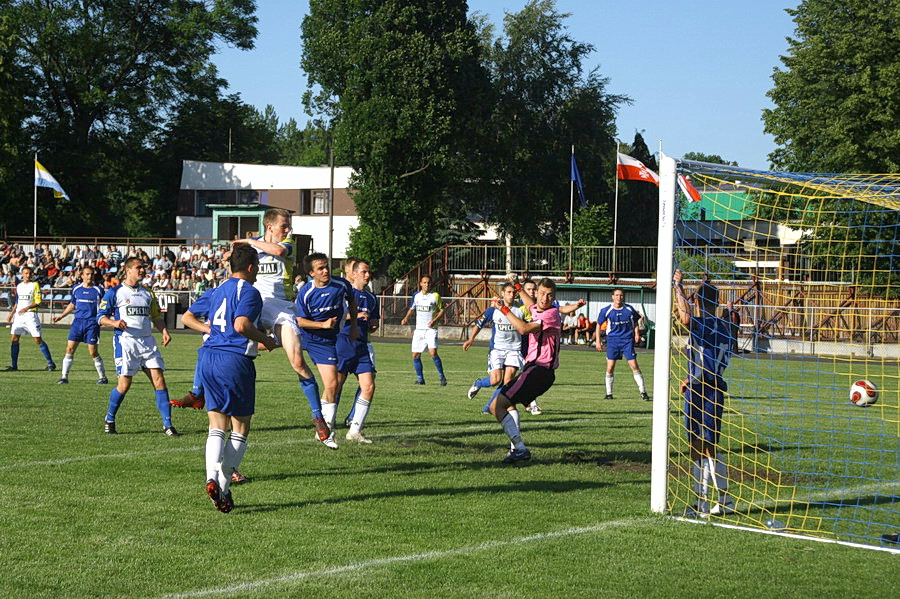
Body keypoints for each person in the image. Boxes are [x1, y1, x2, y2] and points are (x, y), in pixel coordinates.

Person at [180, 244, 277, 513]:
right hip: (234, 360)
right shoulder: (250, 292)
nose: (257, 271)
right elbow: (241, 325)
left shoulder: (216, 290)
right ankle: (222, 485)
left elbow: (187, 317)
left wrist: (207, 329)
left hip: (208, 359)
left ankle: (211, 477)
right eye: (256, 266)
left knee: (216, 425)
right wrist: (266, 340)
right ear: (250, 267)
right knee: (240, 426)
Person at [673, 269, 734, 516]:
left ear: (697, 301)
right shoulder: (727, 324)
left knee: (700, 446)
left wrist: (677, 287)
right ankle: (723, 500)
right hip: (715, 385)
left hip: (701, 388)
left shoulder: (702, 323)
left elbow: (686, 318)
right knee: (708, 446)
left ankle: (703, 503)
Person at [97, 257, 177, 436]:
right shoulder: (115, 292)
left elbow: (156, 316)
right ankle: (109, 419)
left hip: (147, 341)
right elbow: (100, 317)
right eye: (139, 268)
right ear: (128, 270)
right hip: (126, 342)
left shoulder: (148, 293)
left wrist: (164, 330)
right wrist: (114, 322)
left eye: (143, 268)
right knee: (124, 384)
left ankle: (168, 426)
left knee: (159, 380)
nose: (142, 270)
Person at [486, 278, 562, 463]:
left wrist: (503, 308)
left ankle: (519, 448)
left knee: (497, 405)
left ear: (554, 297)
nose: (545, 298)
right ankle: (517, 448)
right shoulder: (538, 307)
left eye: (549, 295)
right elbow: (530, 304)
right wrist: (518, 285)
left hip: (539, 371)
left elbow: (524, 328)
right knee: (506, 404)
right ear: (537, 293)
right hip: (534, 370)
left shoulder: (551, 314)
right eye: (542, 293)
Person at [295, 252, 358, 449]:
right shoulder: (306, 293)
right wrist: (322, 325)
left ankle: (324, 426)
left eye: (326, 266)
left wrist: (354, 326)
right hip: (310, 337)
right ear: (311, 273)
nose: (325, 271)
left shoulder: (341, 285)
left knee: (332, 384)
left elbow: (352, 302)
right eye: (320, 268)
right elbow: (299, 320)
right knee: (267, 343)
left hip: (327, 341)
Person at [335, 258, 379, 443]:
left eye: (369, 272)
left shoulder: (371, 297)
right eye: (364, 272)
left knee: (368, 386)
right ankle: (326, 425)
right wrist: (355, 315)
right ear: (353, 274)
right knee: (335, 385)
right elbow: (333, 316)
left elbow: (373, 323)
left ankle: (354, 431)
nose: (367, 275)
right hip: (343, 342)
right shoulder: (344, 294)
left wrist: (372, 324)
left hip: (361, 345)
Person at [464, 282, 525, 412]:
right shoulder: (493, 310)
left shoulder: (521, 309)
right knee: (495, 380)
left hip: (514, 349)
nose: (511, 295)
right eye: (508, 292)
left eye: (513, 292)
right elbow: (479, 324)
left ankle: (491, 407)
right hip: (497, 349)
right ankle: (479, 383)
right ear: (502, 293)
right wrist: (471, 339)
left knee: (507, 382)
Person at [52, 265, 108, 384]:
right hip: (77, 323)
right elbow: (72, 304)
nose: (90, 276)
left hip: (92, 324)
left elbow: (104, 307)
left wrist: (103, 319)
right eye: (87, 274)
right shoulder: (76, 288)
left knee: (93, 352)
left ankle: (103, 377)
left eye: (91, 274)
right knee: (70, 349)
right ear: (82, 276)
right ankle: (64, 377)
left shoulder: (98, 290)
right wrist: (61, 316)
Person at [595, 288, 649, 401]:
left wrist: (637, 333)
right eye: (617, 295)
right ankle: (609, 393)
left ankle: (643, 392)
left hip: (627, 341)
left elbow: (635, 322)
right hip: (613, 341)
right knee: (610, 367)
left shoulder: (629, 309)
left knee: (634, 365)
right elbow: (599, 325)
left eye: (621, 295)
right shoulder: (606, 310)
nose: (619, 297)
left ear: (623, 297)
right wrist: (598, 341)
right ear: (612, 297)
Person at [4, 266, 56, 371]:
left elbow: (38, 301)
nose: (28, 275)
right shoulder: (19, 286)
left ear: (32, 274)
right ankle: (14, 366)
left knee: (37, 339)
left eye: (29, 273)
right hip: (19, 316)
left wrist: (27, 307)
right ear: (22, 274)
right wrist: (11, 313)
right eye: (26, 273)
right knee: (14, 339)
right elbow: (17, 302)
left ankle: (51, 363)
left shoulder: (35, 285)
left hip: (30, 315)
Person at [400, 275, 447, 385]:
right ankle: (420, 379)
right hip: (419, 330)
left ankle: (442, 377)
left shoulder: (435, 296)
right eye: (424, 282)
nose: (427, 284)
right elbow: (412, 308)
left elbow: (442, 310)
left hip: (431, 329)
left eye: (428, 282)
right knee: (415, 355)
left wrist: (434, 320)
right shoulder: (416, 295)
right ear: (420, 284)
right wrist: (406, 318)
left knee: (433, 353)